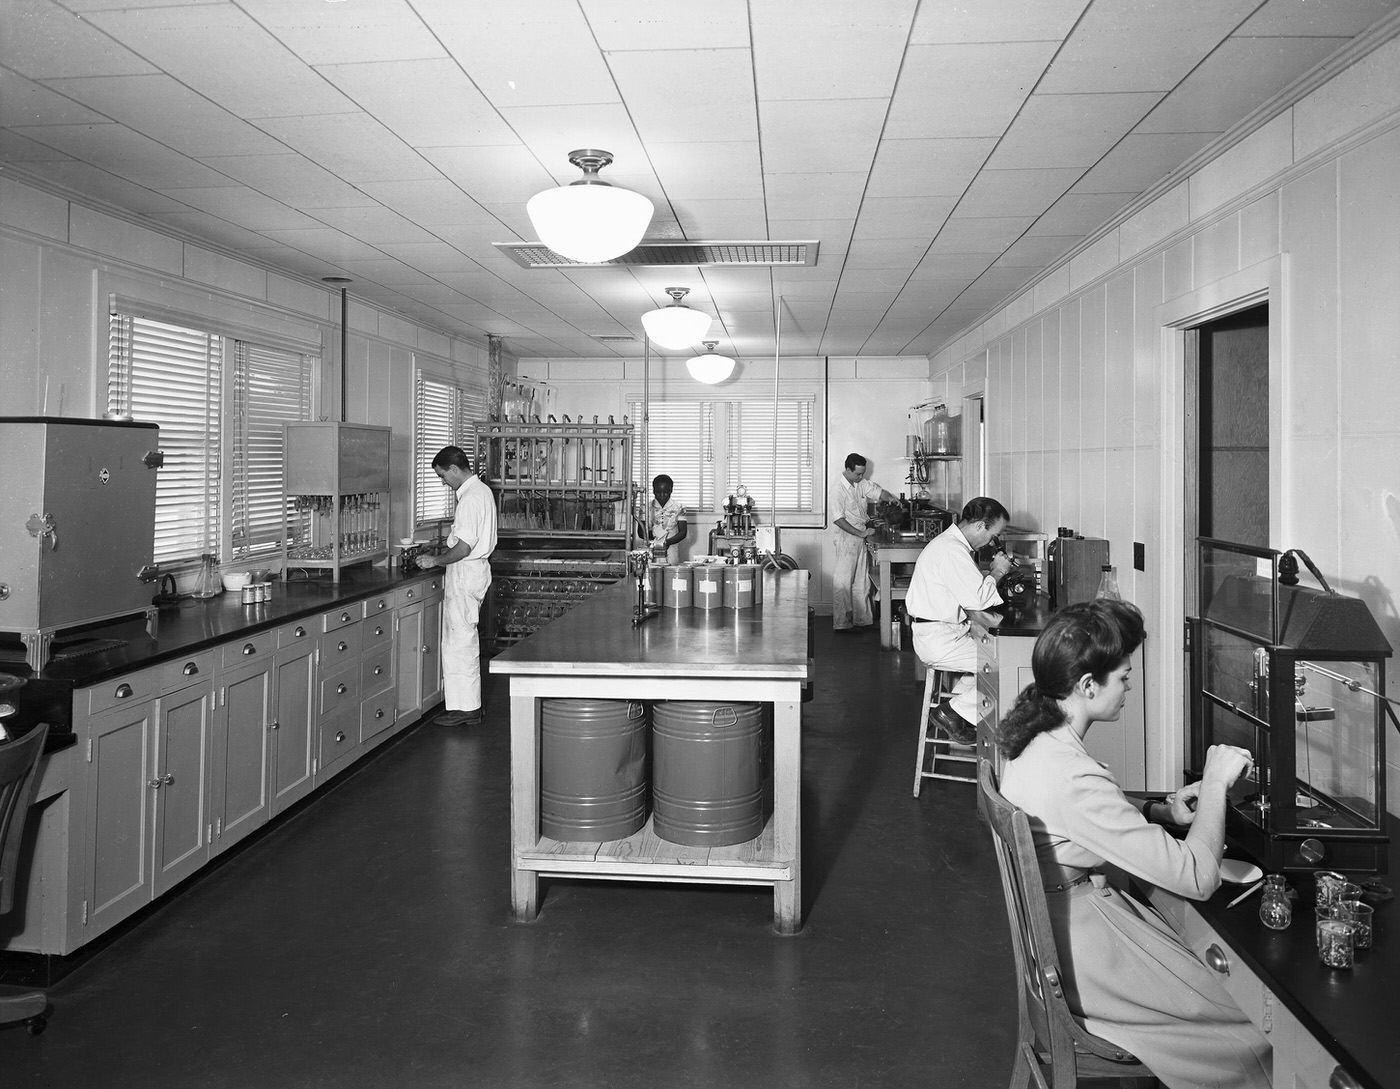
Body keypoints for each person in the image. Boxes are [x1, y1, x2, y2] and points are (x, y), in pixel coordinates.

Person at [996, 600, 1271, 1089]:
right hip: (1088, 964)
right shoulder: (1072, 776)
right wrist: (1213, 785)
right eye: (1123, 677)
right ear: (1087, 687)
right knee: (1255, 1032)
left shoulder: (1035, 737)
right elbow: (1198, 877)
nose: (1129, 686)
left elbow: (1079, 818)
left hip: (1067, 938)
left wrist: (1157, 812)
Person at [904, 497, 1014, 743]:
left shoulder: (950, 545)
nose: (990, 542)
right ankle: (952, 712)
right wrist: (998, 570)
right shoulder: (952, 550)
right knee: (1006, 663)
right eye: (994, 534)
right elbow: (979, 599)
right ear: (979, 526)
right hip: (940, 641)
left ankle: (959, 708)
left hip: (939, 634)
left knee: (991, 658)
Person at [417, 446, 497, 726]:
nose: (443, 482)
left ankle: (467, 709)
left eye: (442, 476)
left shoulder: (470, 499)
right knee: (461, 638)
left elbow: (463, 548)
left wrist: (434, 560)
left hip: (465, 572)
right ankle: (464, 705)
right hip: (474, 571)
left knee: (460, 642)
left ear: (453, 469)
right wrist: (442, 546)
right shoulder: (482, 491)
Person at [831, 452, 896, 632]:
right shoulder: (838, 489)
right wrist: (860, 533)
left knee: (862, 580)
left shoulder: (860, 483)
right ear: (848, 469)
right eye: (858, 474)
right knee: (843, 581)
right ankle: (842, 623)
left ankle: (862, 620)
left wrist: (891, 499)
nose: (861, 477)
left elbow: (877, 491)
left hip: (860, 534)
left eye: (862, 473)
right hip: (846, 536)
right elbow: (838, 519)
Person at [637, 473, 687, 564]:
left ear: (671, 490)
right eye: (658, 493)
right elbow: (640, 532)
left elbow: (683, 532)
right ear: (653, 491)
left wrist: (667, 542)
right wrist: (657, 540)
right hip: (651, 548)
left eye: (666, 492)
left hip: (671, 549)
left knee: (670, 573)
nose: (662, 495)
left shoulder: (679, 507)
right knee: (652, 573)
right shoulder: (646, 508)